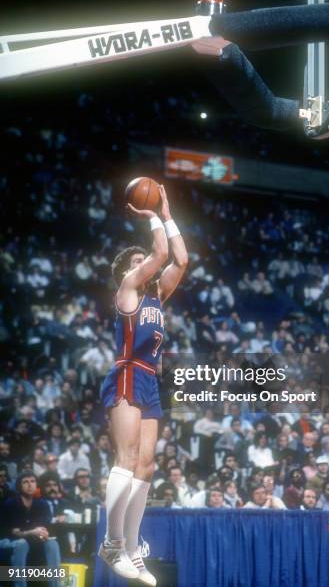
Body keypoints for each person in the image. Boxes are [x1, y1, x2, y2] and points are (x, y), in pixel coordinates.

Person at [98, 185, 188, 584]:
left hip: (152, 379)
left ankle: (132, 548)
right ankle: (112, 542)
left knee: (147, 466)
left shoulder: (157, 298)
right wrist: (151, 215)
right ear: (127, 273)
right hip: (128, 371)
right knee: (126, 458)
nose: (148, 266)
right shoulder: (128, 291)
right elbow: (162, 255)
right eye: (140, 262)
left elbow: (180, 259)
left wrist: (167, 213)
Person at [0, 471, 61, 587]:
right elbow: (13, 533)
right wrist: (32, 532)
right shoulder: (11, 503)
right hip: (7, 540)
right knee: (21, 544)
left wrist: (43, 534)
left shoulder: (42, 504)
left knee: (52, 543)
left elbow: (43, 528)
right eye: (25, 482)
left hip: (31, 540)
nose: (30, 485)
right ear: (19, 486)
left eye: (32, 481)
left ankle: (55, 585)